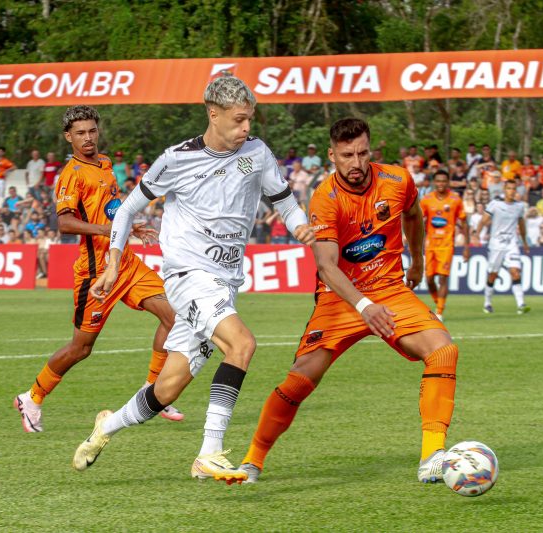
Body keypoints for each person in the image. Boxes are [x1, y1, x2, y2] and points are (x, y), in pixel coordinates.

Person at [73, 76, 314, 482]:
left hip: (225, 282)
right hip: (187, 276)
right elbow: (128, 210)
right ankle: (209, 452)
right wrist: (113, 263)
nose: (246, 129)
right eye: (239, 120)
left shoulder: (256, 153)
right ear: (213, 114)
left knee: (167, 389)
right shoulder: (176, 159)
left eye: (249, 120)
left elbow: (284, 202)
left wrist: (302, 227)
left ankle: (105, 427)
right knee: (242, 344)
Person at [239, 117, 459, 485]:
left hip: (389, 290)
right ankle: (251, 460)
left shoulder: (397, 180)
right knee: (300, 380)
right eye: (346, 156)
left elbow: (414, 215)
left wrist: (418, 261)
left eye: (362, 153)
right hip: (339, 299)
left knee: (443, 351)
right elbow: (326, 266)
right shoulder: (325, 199)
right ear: (331, 155)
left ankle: (432, 456)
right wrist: (364, 307)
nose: (355, 163)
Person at [13, 105, 184, 434]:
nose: (88, 137)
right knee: (81, 348)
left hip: (126, 264)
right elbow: (63, 222)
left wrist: (128, 229)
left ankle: (154, 392)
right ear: (69, 137)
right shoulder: (71, 175)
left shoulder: (105, 163)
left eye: (92, 131)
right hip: (95, 274)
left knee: (175, 316)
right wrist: (109, 231)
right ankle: (31, 397)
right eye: (80, 133)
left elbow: (112, 210)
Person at [420, 170, 469, 320]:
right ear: (435, 182)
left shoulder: (455, 200)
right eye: (438, 181)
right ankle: (438, 302)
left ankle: (439, 311)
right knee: (429, 279)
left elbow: (464, 223)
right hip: (430, 245)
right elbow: (420, 222)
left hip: (447, 245)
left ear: (448, 182)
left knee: (443, 278)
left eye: (444, 181)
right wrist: (418, 241)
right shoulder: (426, 200)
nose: (441, 184)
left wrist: (467, 246)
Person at [476, 180, 530, 314]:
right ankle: (487, 303)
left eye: (514, 189)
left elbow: (521, 225)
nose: (512, 191)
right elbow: (484, 220)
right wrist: (476, 234)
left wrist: (525, 242)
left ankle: (521, 304)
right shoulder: (495, 204)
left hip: (512, 244)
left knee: (515, 271)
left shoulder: (519, 206)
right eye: (509, 189)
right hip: (496, 245)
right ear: (504, 190)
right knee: (493, 275)